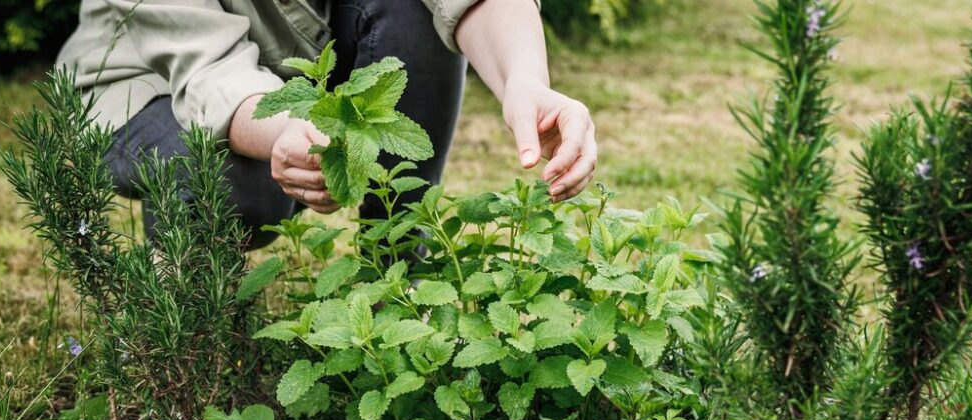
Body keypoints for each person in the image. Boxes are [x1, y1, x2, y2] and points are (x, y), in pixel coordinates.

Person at [57, 0, 598, 248]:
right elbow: (210, 74)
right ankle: (181, 307)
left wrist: (526, 79)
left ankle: (400, 262)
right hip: (140, 86)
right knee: (239, 185)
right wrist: (290, 136)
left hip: (291, 64)